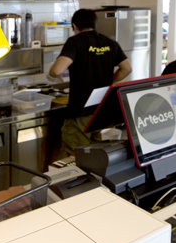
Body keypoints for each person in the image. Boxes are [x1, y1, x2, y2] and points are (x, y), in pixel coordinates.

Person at [47, 9, 132, 155]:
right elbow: (127, 69)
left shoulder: (75, 42)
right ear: (95, 24)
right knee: (96, 155)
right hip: (101, 110)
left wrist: (51, 74)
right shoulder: (110, 42)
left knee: (76, 157)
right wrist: (107, 81)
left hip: (80, 111)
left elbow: (57, 71)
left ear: (75, 26)